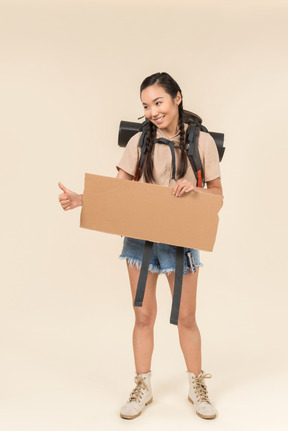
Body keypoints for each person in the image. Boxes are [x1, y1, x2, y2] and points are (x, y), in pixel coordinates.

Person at [58, 72, 223, 420]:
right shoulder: (138, 142)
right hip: (140, 241)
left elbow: (218, 197)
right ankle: (142, 385)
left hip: (181, 241)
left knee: (186, 318)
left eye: (158, 102)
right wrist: (81, 199)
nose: (152, 111)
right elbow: (117, 194)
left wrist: (195, 190)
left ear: (177, 98)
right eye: (146, 106)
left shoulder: (202, 142)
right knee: (143, 315)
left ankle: (197, 384)